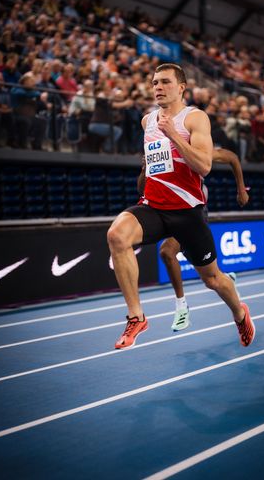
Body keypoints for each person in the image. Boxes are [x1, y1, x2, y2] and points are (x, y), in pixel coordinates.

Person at [107, 63, 255, 349]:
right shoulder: (147, 121)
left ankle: (239, 313)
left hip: (187, 213)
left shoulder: (195, 118)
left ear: (181, 87)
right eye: (154, 83)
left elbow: (204, 165)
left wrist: (174, 134)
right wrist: (146, 171)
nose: (158, 88)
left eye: (164, 82)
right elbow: (153, 166)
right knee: (116, 235)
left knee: (213, 280)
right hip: (153, 206)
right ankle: (136, 317)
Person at [157, 147, 249, 332]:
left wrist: (241, 189)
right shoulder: (159, 149)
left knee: (167, 251)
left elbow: (232, 157)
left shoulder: (196, 145)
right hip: (170, 210)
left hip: (193, 213)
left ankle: (181, 307)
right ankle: (225, 278)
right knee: (207, 275)